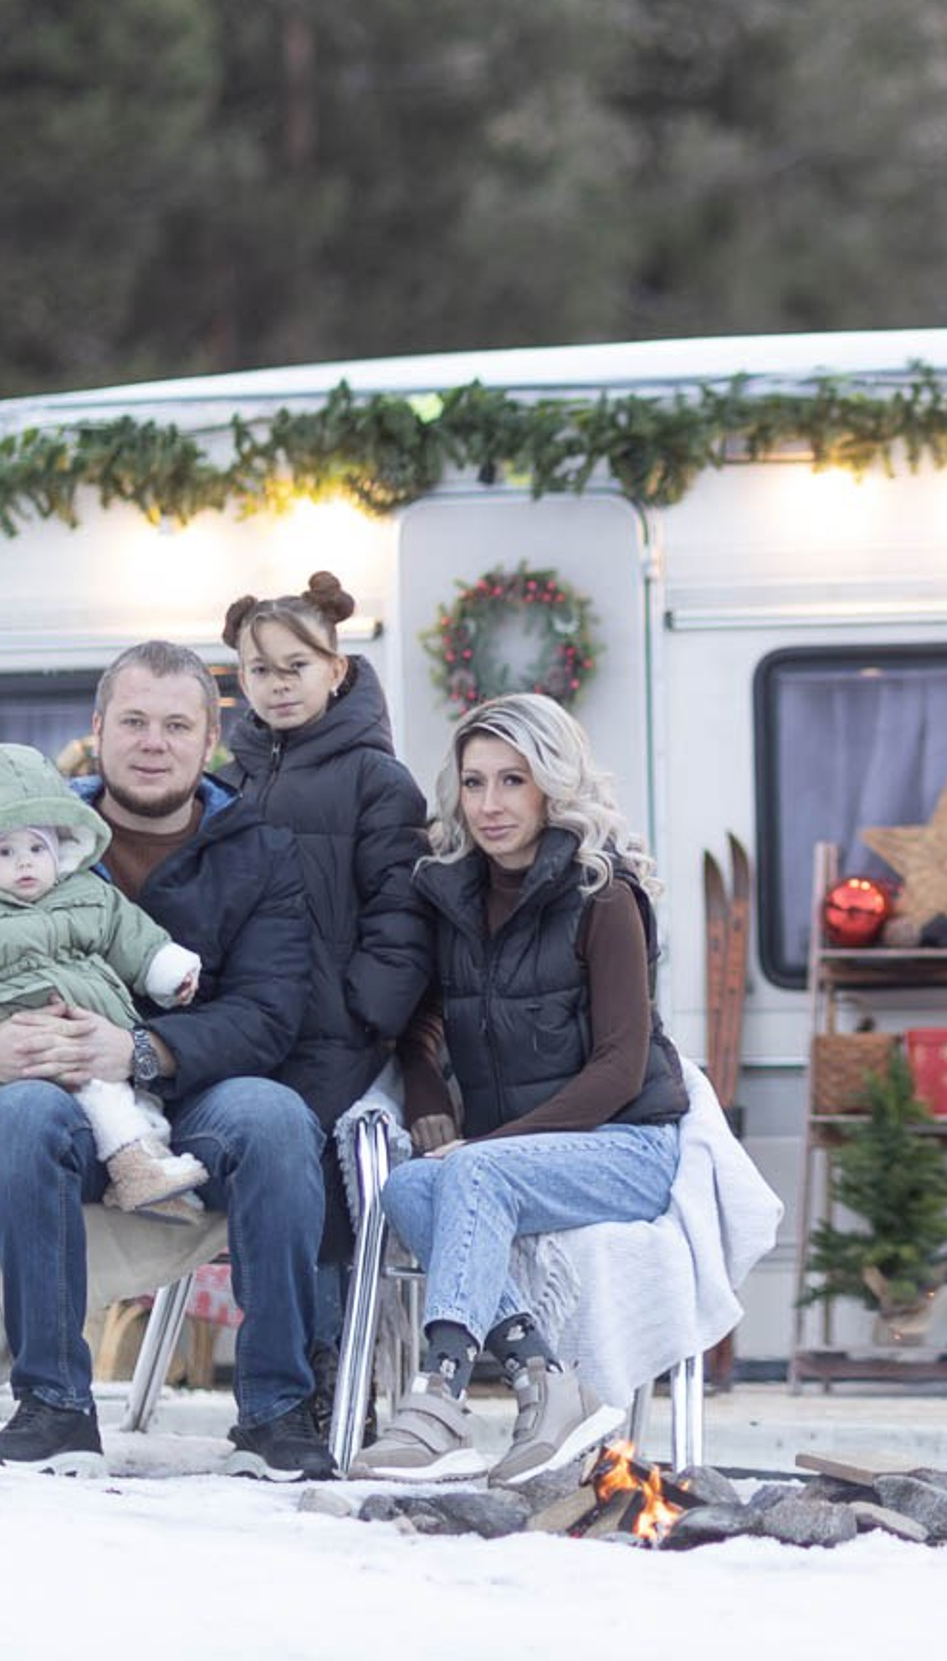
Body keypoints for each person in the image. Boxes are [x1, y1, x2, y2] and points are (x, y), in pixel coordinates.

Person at [0, 642, 332, 1480]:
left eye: (177, 725)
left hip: (196, 1098)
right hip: (53, 1093)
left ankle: (276, 1408)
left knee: (276, 1118)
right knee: (19, 1114)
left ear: (210, 738)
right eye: (135, 721)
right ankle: (54, 1405)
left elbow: (269, 1012)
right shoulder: (20, 838)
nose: (154, 742)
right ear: (98, 727)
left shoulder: (260, 852)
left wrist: (141, 1049)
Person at [352, 693, 688, 1486]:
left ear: (552, 786)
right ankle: (546, 1381)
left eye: (514, 780)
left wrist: (490, 1149)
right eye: (475, 783)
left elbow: (620, 1064)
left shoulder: (603, 895)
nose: (491, 805)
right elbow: (421, 1026)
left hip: (627, 1147)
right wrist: (430, 1094)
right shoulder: (450, 895)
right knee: (406, 1185)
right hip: (515, 1159)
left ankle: (438, 1399)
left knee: (464, 1174)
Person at [220, 572, 433, 1427]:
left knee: (318, 1193)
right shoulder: (230, 777)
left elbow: (401, 914)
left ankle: (331, 1376)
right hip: (247, 1027)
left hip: (335, 1035)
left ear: (336, 670)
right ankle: (288, 1366)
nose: (276, 683)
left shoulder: (377, 780)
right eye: (258, 669)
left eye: (294, 665)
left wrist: (360, 1017)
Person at [0, 745, 207, 1218]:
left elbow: (130, 935)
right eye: (5, 852)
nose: (25, 863)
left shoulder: (89, 895)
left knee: (125, 1093)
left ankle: (150, 1172)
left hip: (91, 1032)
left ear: (61, 848)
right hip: (21, 1038)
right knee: (96, 1095)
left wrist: (168, 970)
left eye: (37, 849)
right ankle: (137, 1166)